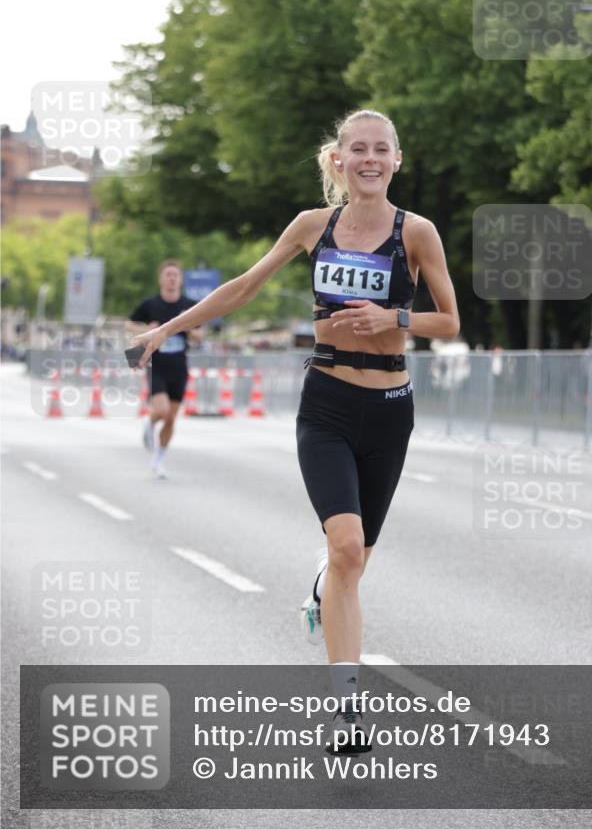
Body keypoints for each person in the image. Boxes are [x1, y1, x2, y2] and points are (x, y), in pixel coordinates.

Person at [130, 109, 459, 749]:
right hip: (328, 403)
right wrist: (166, 329)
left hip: (391, 408)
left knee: (355, 561)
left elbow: (448, 322)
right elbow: (244, 286)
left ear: (397, 160)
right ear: (338, 159)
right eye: (356, 149)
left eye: (381, 149)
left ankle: (323, 588)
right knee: (343, 547)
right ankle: (347, 711)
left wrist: (395, 316)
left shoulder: (416, 233)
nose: (369, 158)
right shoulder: (315, 226)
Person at [125, 260, 203, 478]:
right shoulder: (150, 304)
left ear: (180, 280)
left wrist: (188, 329)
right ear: (161, 279)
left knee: (171, 418)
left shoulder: (190, 306)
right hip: (156, 365)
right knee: (161, 410)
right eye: (167, 274)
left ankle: (159, 459)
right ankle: (150, 424)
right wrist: (146, 328)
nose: (171, 278)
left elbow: (200, 335)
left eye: (175, 275)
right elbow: (128, 325)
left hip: (179, 367)